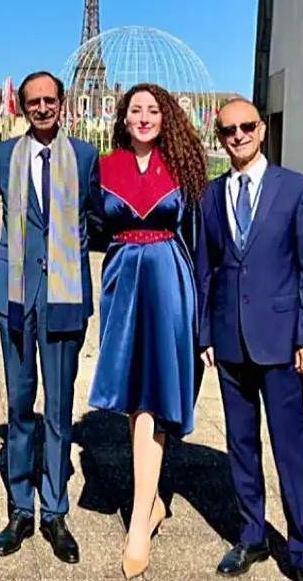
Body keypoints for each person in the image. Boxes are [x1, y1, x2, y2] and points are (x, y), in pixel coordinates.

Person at [0, 71, 102, 564]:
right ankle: (20, 509)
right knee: (19, 406)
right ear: (23, 108)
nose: (42, 108)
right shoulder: (5, 155)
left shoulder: (85, 157)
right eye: (33, 102)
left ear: (62, 103)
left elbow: (100, 219)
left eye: (50, 100)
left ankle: (55, 511)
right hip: (16, 297)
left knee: (60, 409)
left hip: (65, 298)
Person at [197, 98, 303, 581]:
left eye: (246, 126)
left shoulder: (297, 189)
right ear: (219, 136)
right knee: (241, 445)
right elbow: (206, 270)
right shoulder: (210, 196)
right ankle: (251, 537)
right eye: (228, 130)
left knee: (291, 448)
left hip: (281, 341)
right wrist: (205, 333)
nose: (238, 136)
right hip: (229, 340)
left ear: (262, 130)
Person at [89, 83, 208, 579]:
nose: (143, 117)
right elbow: (91, 229)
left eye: (152, 110)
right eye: (135, 109)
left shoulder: (183, 169)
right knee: (134, 392)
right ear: (123, 117)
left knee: (153, 400)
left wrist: (205, 325)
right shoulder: (105, 167)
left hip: (168, 282)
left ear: (165, 118)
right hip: (121, 282)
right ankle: (152, 500)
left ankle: (139, 522)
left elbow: (200, 244)